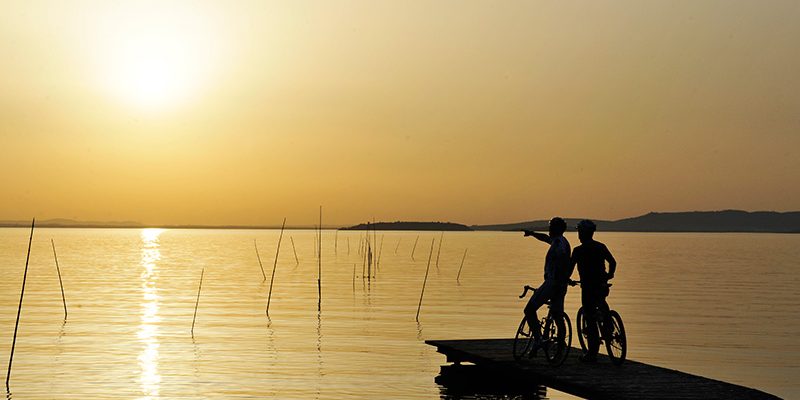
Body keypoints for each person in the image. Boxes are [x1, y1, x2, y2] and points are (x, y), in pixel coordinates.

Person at [569, 219, 617, 362]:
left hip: (588, 287)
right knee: (602, 302)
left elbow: (569, 269)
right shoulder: (600, 247)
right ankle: (608, 327)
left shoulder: (578, 251)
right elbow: (613, 262)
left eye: (579, 232)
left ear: (582, 233)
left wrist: (566, 279)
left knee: (589, 316)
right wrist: (610, 275)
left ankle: (592, 353)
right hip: (602, 284)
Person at [522, 217, 571, 348]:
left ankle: (538, 339)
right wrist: (532, 234)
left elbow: (563, 261)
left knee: (529, 310)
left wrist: (561, 276)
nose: (549, 229)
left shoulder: (559, 244)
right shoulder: (560, 241)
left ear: (556, 229)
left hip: (552, 283)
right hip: (560, 284)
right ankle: (561, 343)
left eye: (551, 227)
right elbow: (544, 238)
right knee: (557, 315)